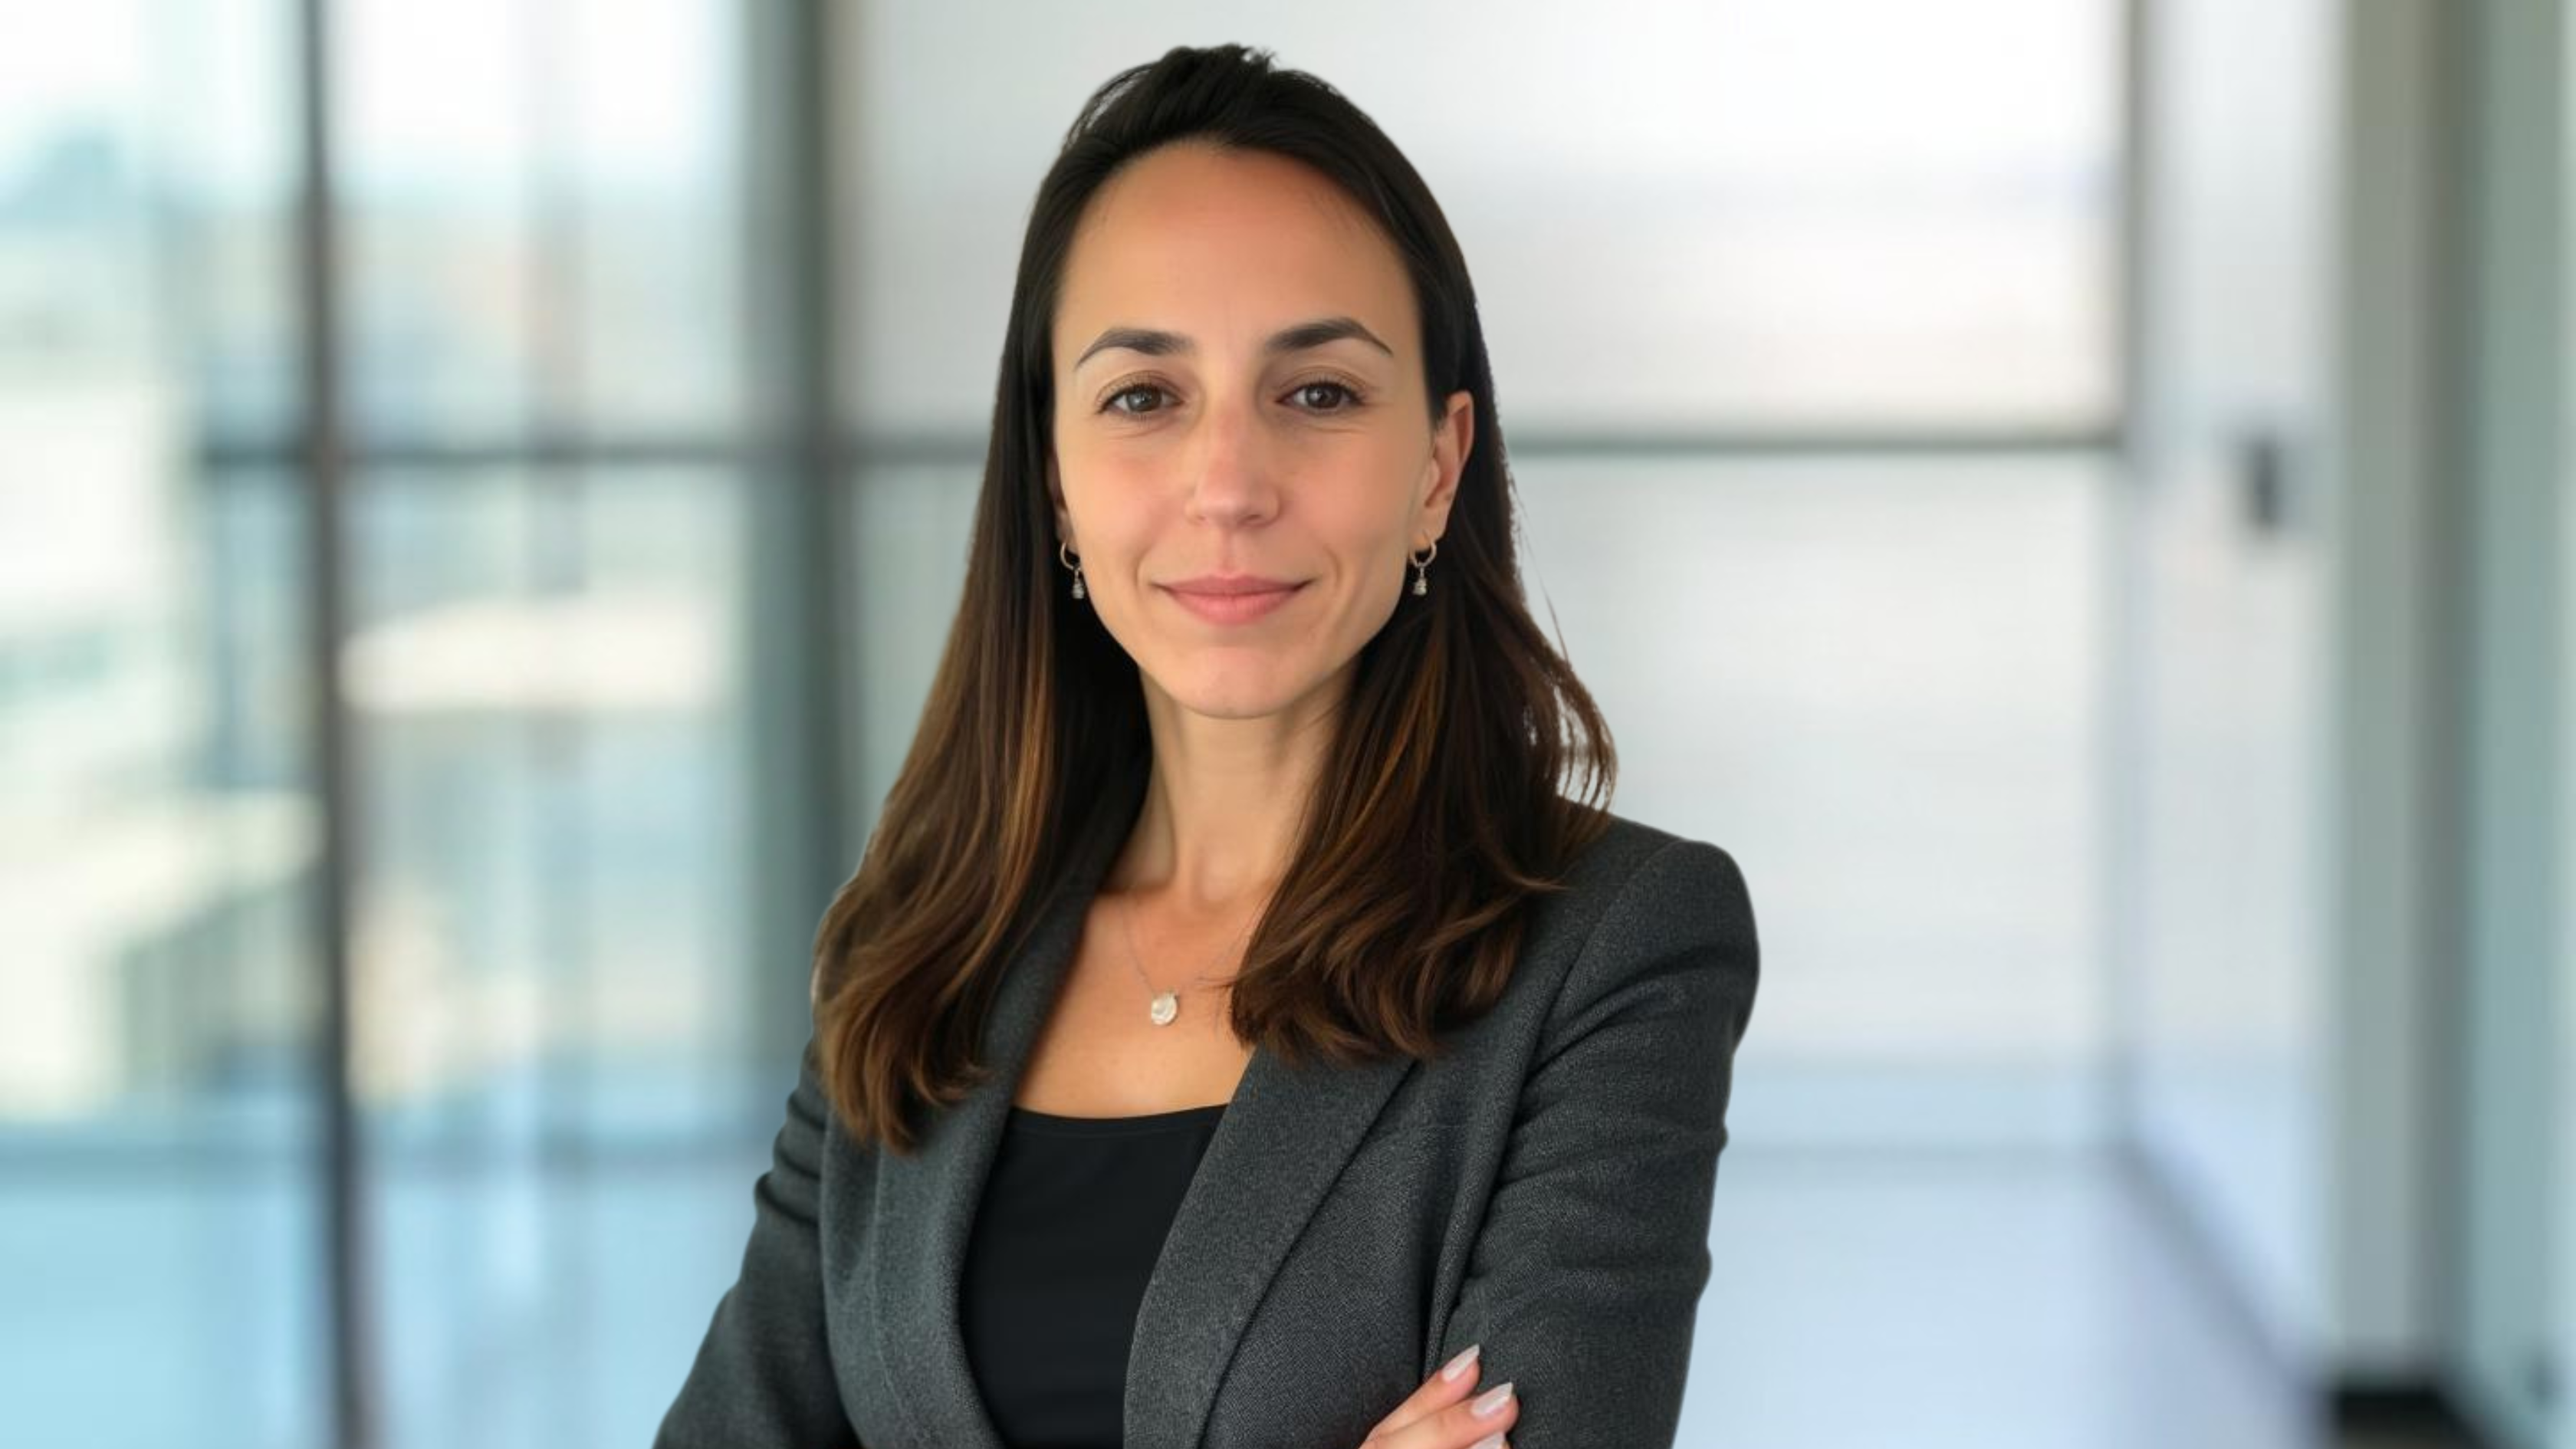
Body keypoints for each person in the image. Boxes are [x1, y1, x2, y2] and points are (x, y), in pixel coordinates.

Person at [656, 41, 1759, 1449]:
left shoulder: (1614, 949)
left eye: (1318, 393)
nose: (1228, 486)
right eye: (1143, 396)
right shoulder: (919, 938)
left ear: (1437, 465)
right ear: (1054, 475)